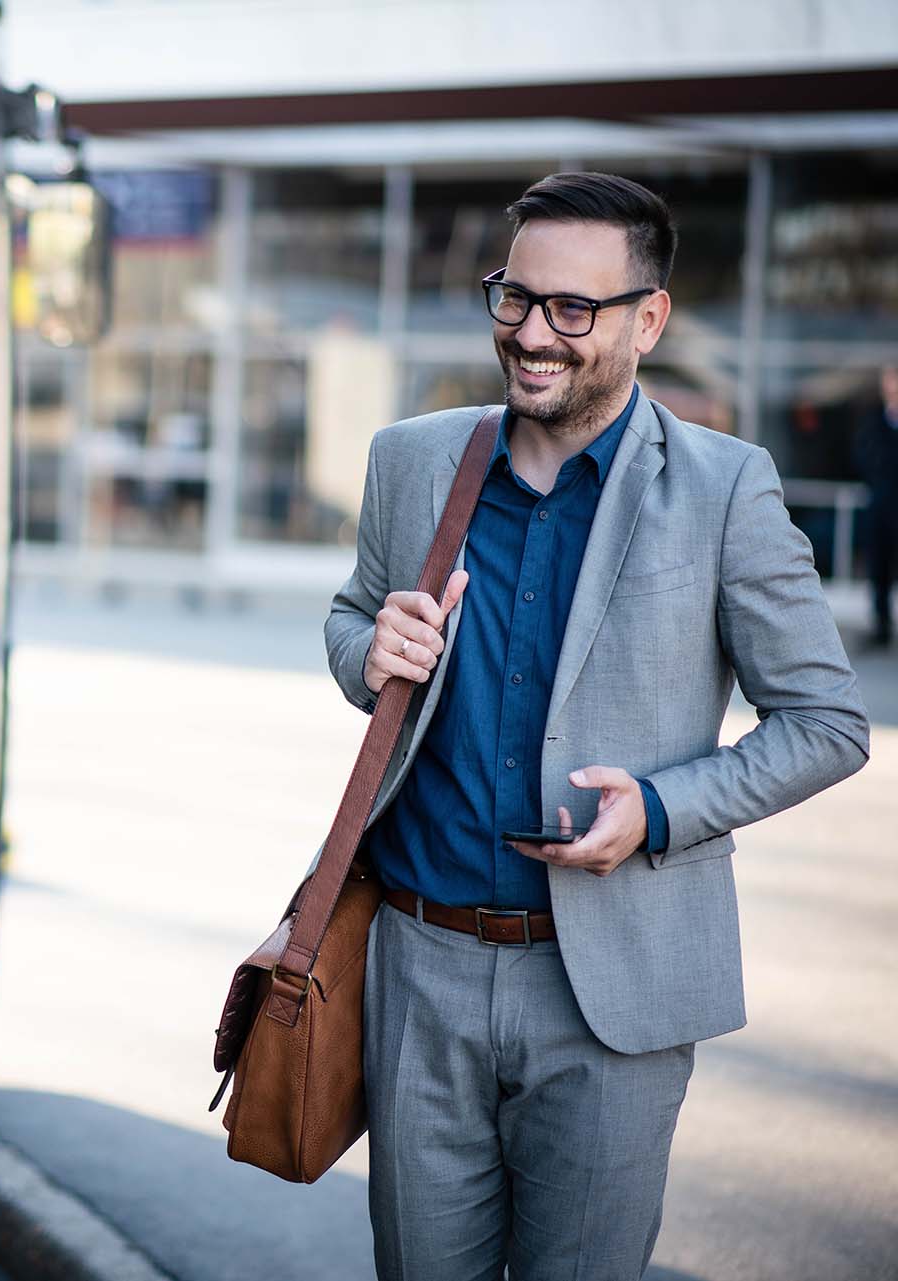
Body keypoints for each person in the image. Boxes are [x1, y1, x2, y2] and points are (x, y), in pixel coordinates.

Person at [324, 172, 869, 1281]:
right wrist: (368, 649)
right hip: (418, 967)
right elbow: (351, 621)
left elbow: (828, 721)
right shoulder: (412, 460)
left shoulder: (727, 489)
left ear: (649, 319)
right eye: (514, 298)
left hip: (613, 990)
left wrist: (664, 809)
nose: (533, 335)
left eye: (574, 308)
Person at [851, 363, 898, 646]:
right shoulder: (874, 421)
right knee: (879, 567)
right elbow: (862, 456)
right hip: (881, 506)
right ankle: (882, 625)